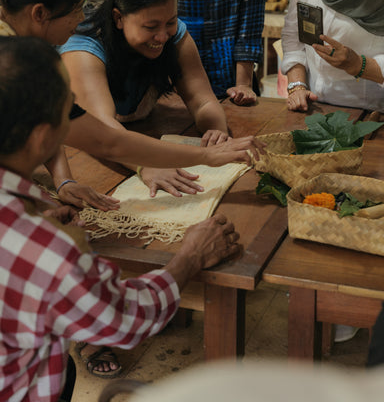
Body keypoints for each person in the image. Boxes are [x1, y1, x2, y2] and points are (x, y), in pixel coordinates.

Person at [0, 35, 240, 402]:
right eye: (67, 115)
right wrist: (189, 257)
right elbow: (123, 320)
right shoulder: (43, 249)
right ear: (42, 137)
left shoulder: (34, 230)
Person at [60, 0, 261, 200]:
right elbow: (104, 131)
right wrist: (146, 164)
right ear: (118, 18)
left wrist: (216, 132)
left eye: (170, 22)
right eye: (151, 26)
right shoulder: (84, 48)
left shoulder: (175, 36)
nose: (163, 35)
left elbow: (202, 101)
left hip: (133, 134)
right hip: (78, 150)